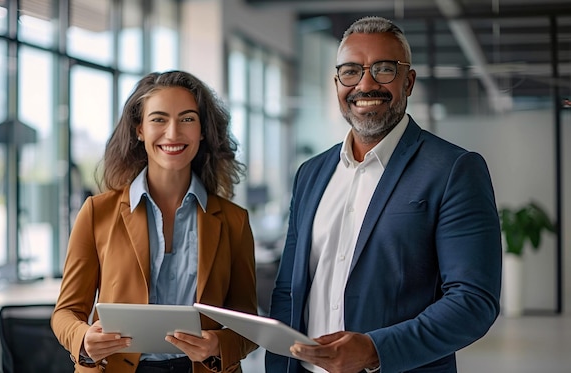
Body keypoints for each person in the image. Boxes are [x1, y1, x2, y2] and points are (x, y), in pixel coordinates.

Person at [266, 16, 501, 373]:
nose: (366, 84)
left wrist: (376, 350)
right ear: (337, 83)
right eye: (350, 71)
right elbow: (289, 290)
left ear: (408, 81)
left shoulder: (453, 169)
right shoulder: (310, 174)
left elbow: (473, 302)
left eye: (384, 69)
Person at [52, 70, 258, 373]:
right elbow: (66, 312)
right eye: (158, 119)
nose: (173, 133)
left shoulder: (233, 221)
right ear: (139, 129)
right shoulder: (97, 212)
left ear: (202, 131)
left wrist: (219, 345)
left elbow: (248, 322)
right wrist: (82, 338)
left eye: (187, 119)